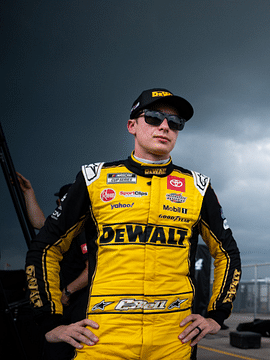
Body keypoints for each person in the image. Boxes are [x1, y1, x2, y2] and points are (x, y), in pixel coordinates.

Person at [25, 88, 242, 360]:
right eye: (153, 118)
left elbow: (227, 253)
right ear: (132, 125)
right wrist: (50, 321)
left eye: (175, 123)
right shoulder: (94, 179)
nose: (165, 127)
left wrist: (216, 315)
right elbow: (45, 247)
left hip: (174, 340)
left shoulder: (198, 187)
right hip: (101, 340)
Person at [17, 174, 90, 359]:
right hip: (59, 307)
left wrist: (67, 292)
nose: (59, 204)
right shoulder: (59, 230)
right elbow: (39, 223)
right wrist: (28, 192)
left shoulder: (82, 229)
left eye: (62, 201)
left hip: (76, 306)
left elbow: (92, 269)